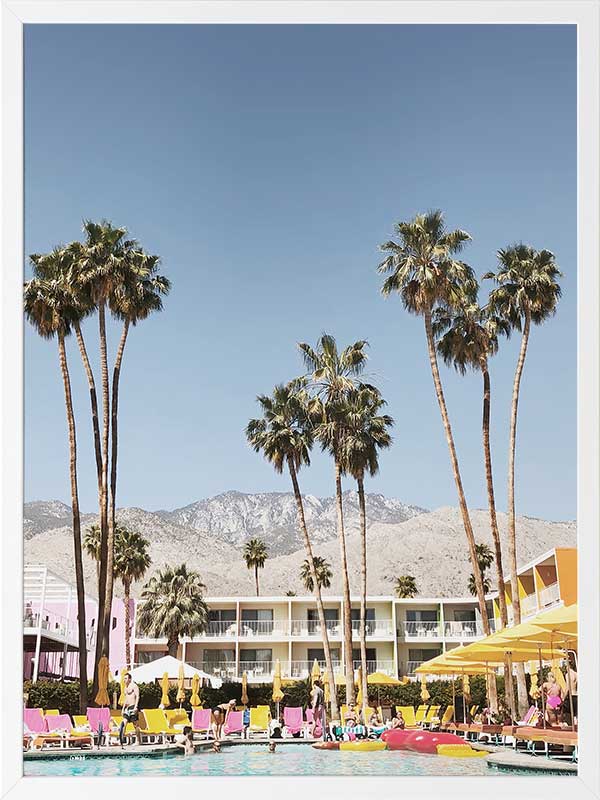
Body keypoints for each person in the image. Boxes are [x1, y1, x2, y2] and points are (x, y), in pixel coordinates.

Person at [121, 672, 141, 746]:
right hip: (127, 708)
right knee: (124, 723)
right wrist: (123, 708)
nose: (124, 680)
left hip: (133, 707)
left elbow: (138, 696)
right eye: (124, 678)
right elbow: (126, 699)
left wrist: (136, 707)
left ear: (130, 679)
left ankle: (138, 741)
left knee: (135, 725)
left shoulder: (134, 686)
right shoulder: (125, 688)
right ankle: (121, 740)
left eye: (126, 678)